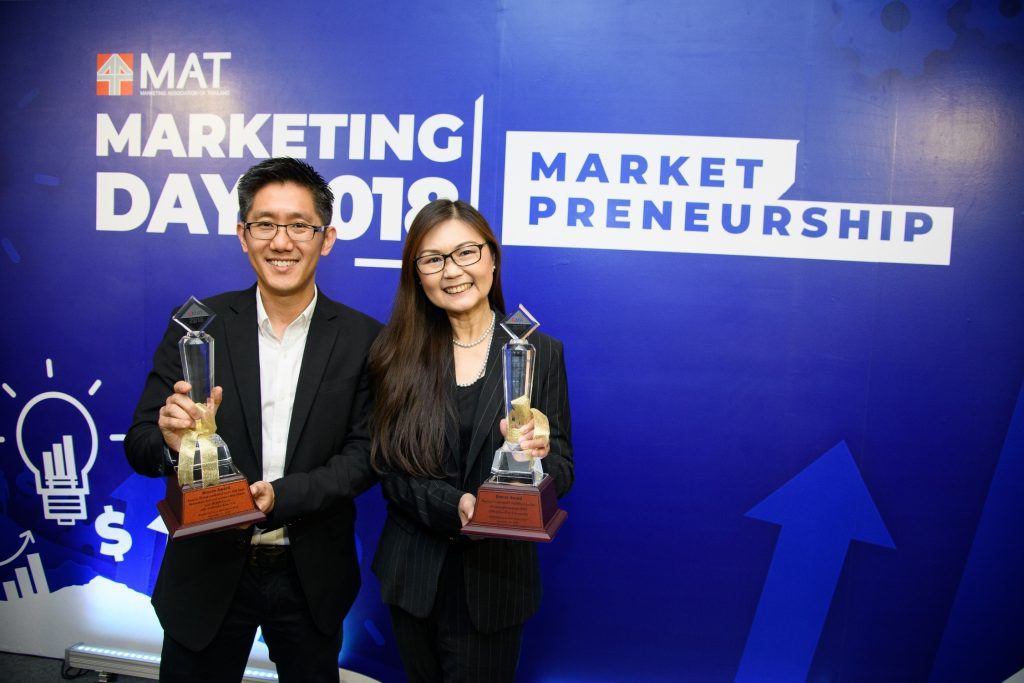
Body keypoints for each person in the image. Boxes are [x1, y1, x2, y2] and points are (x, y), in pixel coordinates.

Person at [124, 157, 381, 682]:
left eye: (299, 225)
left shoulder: (365, 339)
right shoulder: (197, 327)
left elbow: (365, 457)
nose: (281, 242)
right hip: (206, 570)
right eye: (265, 224)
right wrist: (171, 443)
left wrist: (279, 498)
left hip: (310, 574)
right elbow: (140, 442)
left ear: (326, 238)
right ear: (243, 235)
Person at [368, 199, 573, 682]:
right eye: (433, 259)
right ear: (417, 274)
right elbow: (389, 468)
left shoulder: (539, 351)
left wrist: (538, 459)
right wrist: (455, 505)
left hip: (495, 584)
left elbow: (563, 466)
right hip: (413, 576)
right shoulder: (395, 353)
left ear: (492, 258)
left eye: (466, 252)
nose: (452, 271)